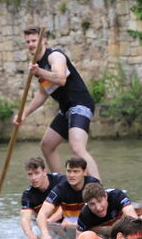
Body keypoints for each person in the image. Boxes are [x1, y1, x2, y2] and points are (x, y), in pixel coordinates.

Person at [14, 28, 100, 179]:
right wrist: (24, 114)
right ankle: (61, 185)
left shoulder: (55, 56)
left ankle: (98, 188)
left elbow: (61, 79)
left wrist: (39, 72)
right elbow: (43, 93)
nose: (31, 44)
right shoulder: (37, 65)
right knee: (47, 146)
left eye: (34, 40)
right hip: (66, 109)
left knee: (77, 148)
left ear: (44, 41)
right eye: (28, 42)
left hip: (80, 104)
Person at [34, 156, 101, 239]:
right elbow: (41, 215)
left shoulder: (93, 184)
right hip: (71, 230)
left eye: (76, 171)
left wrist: (74, 223)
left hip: (93, 228)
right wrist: (45, 235)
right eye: (69, 171)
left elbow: (100, 211)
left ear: (84, 172)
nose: (71, 175)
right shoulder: (60, 189)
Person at [20, 156, 67, 239]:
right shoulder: (28, 194)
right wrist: (31, 235)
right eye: (30, 174)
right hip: (50, 222)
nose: (33, 178)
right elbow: (25, 218)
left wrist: (49, 221)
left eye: (37, 173)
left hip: (70, 217)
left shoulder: (60, 180)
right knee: (30, 215)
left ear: (44, 172)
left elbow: (67, 204)